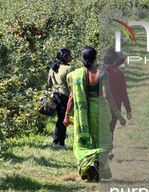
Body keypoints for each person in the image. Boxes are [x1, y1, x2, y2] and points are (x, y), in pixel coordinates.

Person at [63, 46, 126, 182]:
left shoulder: (75, 75)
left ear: (82, 58)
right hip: (100, 113)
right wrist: (119, 115)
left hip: (82, 114)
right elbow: (108, 97)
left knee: (84, 142)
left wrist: (67, 115)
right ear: (95, 58)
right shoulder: (101, 74)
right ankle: (95, 164)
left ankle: (90, 166)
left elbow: (72, 97)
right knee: (104, 142)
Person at [100, 48, 132, 139]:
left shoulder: (99, 72)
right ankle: (108, 149)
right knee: (111, 129)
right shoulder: (119, 73)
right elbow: (123, 94)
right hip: (115, 105)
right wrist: (128, 109)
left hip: (101, 104)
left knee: (101, 128)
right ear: (115, 60)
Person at [47, 48, 73, 148]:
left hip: (54, 95)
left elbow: (49, 81)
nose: (71, 57)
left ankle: (55, 141)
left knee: (59, 119)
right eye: (69, 55)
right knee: (64, 119)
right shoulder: (68, 69)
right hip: (64, 96)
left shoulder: (53, 67)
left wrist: (50, 92)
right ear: (64, 57)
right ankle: (61, 143)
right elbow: (70, 85)